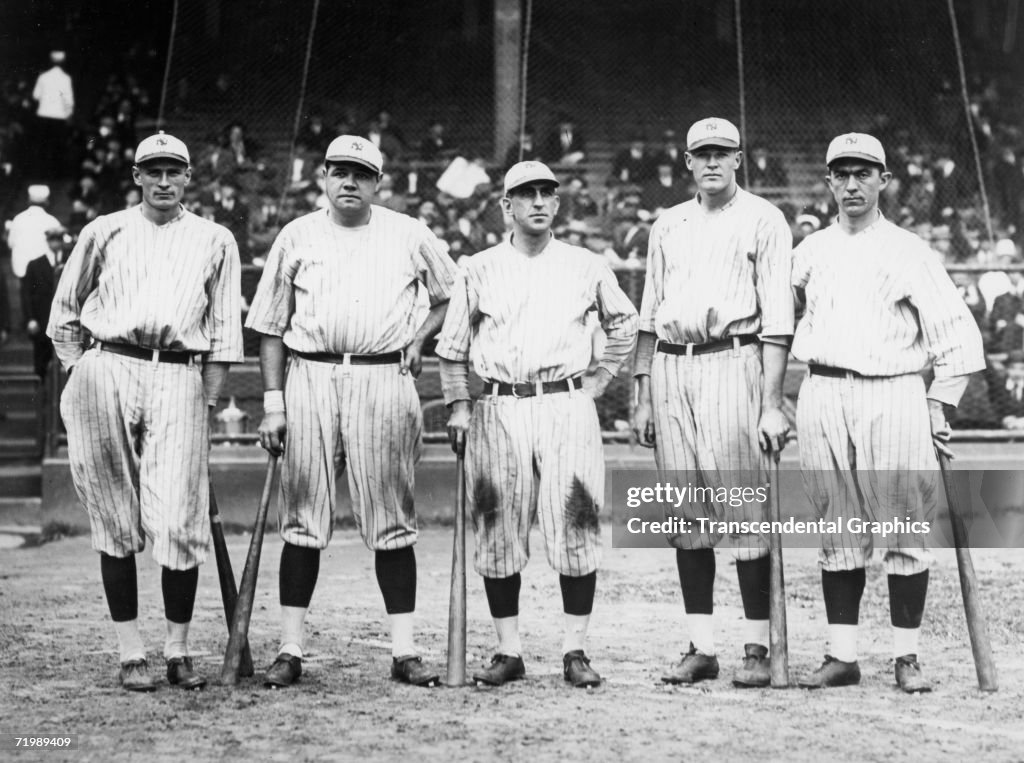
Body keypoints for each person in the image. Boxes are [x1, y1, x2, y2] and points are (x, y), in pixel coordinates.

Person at [246, 135, 458, 689]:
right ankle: (290, 649)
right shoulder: (297, 234)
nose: (349, 182)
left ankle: (404, 650)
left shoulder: (408, 232)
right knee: (303, 519)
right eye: (339, 171)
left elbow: (453, 294)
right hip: (309, 376)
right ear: (322, 175)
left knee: (392, 519)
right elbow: (270, 326)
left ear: (377, 182)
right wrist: (273, 405)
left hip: (383, 375)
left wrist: (419, 339)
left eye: (361, 174)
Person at [47, 132, 244, 692]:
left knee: (179, 517)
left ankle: (178, 650)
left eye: (173, 171)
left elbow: (225, 334)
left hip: (179, 371)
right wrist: (79, 371)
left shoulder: (215, 238)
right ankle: (130, 650)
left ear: (188, 178)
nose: (163, 181)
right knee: (112, 513)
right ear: (136, 176)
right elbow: (65, 313)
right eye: (152, 171)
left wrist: (206, 398)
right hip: (108, 363)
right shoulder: (103, 229)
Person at [791, 133, 984, 693]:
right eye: (841, 174)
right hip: (823, 392)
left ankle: (906, 657)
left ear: (884, 180)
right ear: (828, 181)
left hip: (893, 391)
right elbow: (780, 324)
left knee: (903, 524)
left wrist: (939, 401)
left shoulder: (909, 250)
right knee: (837, 525)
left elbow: (957, 335)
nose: (852, 184)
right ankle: (842, 656)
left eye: (864, 173)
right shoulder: (809, 253)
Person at [437, 160, 638, 688]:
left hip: (565, 403)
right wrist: (459, 405)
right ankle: (510, 650)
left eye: (547, 193)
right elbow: (452, 348)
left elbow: (626, 322)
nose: (539, 202)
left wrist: (600, 378)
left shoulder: (585, 264)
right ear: (507, 206)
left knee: (575, 520)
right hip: (499, 406)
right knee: (497, 525)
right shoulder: (477, 267)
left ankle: (575, 649)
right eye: (526, 195)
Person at [631, 117, 794, 688]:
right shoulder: (667, 224)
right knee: (684, 511)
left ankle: (755, 646)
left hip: (733, 360)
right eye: (702, 153)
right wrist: (642, 389)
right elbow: (649, 313)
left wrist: (772, 402)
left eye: (723, 153)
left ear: (739, 158)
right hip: (672, 368)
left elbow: (777, 320)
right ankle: (701, 646)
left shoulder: (765, 219)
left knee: (746, 510)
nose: (712, 162)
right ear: (687, 160)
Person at [21, 226, 64, 378]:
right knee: (41, 365)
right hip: (42, 321)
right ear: (47, 241)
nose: (56, 243)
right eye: (52, 239)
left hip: (64, 323)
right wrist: (30, 318)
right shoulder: (35, 265)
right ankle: (41, 398)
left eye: (58, 239)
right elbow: (26, 294)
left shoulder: (69, 262)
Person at [32, 50, 74, 179]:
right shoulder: (66, 78)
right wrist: (68, 115)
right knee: (57, 148)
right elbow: (69, 100)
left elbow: (35, 95)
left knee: (43, 146)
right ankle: (55, 175)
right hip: (59, 118)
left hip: (43, 116)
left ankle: (40, 174)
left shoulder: (43, 77)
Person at [6, 184, 61, 282]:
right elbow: (58, 248)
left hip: (22, 268)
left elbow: (10, 244)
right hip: (45, 270)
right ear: (47, 202)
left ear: (29, 200)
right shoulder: (52, 221)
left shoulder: (18, 219)